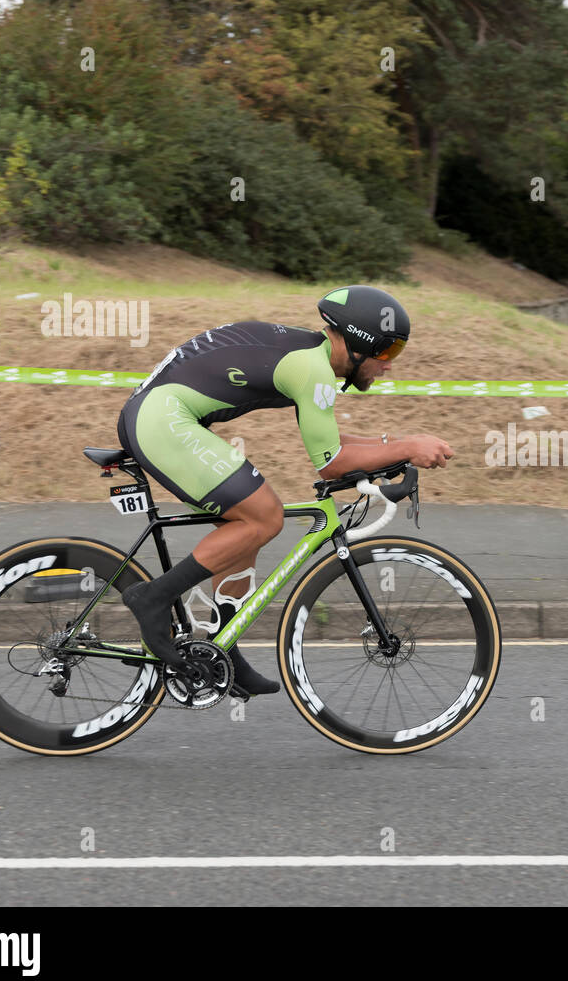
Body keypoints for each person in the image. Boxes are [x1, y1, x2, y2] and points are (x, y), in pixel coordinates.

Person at [116, 286, 454, 695]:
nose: (388, 367)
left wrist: (395, 447)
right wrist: (408, 447)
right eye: (388, 354)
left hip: (160, 414)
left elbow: (328, 437)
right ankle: (154, 597)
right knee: (265, 516)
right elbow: (331, 462)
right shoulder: (311, 368)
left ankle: (224, 646)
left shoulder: (310, 358)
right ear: (362, 343)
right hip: (162, 419)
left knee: (247, 528)